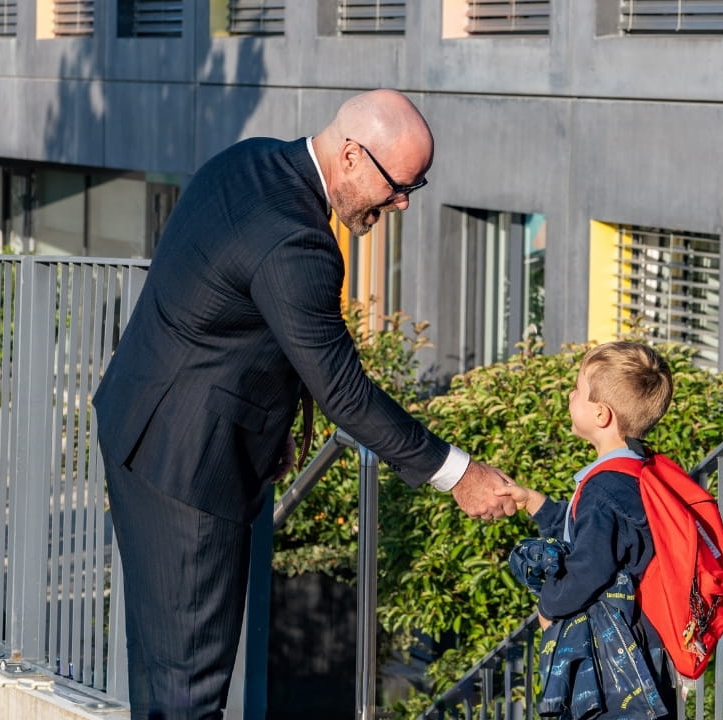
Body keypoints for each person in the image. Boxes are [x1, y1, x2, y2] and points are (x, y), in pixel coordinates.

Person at [92, 89, 516, 720]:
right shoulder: (298, 241)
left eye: (415, 186)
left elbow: (228, 311)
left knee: (159, 670)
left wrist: (273, 422)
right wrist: (460, 474)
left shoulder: (249, 160)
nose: (402, 202)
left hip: (139, 422)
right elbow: (345, 391)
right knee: (189, 690)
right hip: (192, 466)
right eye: (399, 185)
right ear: (351, 155)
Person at [495, 341, 678, 719]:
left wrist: (549, 605)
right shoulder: (635, 471)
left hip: (618, 658)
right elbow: (595, 535)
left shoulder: (603, 488)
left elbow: (590, 567)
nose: (570, 395)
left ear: (601, 414)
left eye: (577, 389)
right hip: (644, 647)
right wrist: (537, 504)